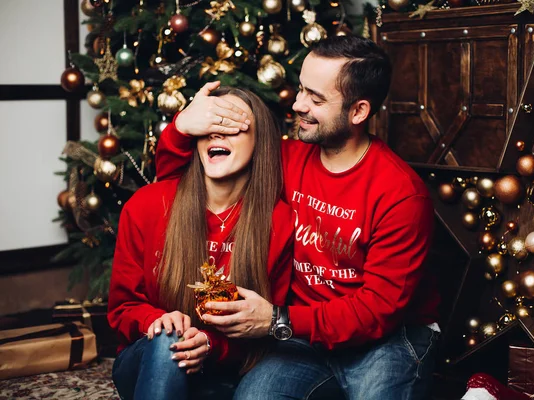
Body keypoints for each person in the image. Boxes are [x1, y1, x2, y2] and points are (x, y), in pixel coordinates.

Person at [155, 36, 440, 399]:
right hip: (300, 333)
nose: (297, 104)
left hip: (387, 337)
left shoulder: (401, 194)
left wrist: (275, 319)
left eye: (316, 99)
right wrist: (182, 126)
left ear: (358, 112)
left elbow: (377, 312)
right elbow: (177, 186)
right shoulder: (284, 159)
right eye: (302, 89)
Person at [107, 86, 294, 400]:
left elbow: (265, 329)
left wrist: (209, 345)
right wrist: (155, 321)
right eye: (209, 126)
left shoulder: (280, 221)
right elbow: (122, 309)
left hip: (225, 373)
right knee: (169, 339)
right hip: (147, 362)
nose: (216, 135)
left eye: (231, 127)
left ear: (259, 142)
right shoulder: (148, 205)